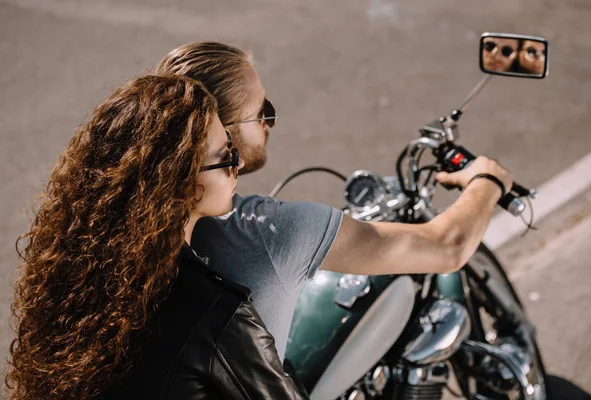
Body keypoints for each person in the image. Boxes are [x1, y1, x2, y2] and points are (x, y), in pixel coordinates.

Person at [156, 42, 514, 363]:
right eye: (260, 111)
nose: (271, 121)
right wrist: (488, 180)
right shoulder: (268, 233)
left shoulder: (127, 220)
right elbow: (447, 247)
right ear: (221, 132)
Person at [6, 75, 306, 399]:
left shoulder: (76, 277)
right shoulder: (217, 312)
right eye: (225, 157)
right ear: (176, 182)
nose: (239, 163)